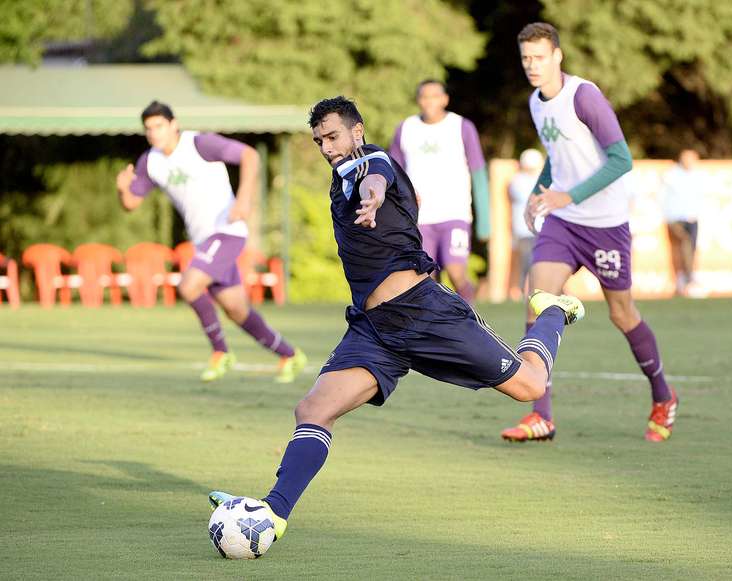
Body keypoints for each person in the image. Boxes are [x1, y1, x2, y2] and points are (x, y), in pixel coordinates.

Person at [208, 96, 585, 545]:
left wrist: (375, 196)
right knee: (313, 409)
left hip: (426, 313)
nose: (327, 147)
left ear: (357, 131)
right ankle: (274, 513)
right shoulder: (339, 179)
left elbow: (376, 178)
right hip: (374, 329)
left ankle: (554, 313)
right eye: (319, 141)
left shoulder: (372, 161)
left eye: (333, 136)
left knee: (530, 387)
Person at [500, 23, 679, 444]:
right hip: (564, 224)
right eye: (526, 58)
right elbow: (555, 155)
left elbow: (621, 159)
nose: (532, 65)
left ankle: (663, 396)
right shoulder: (535, 103)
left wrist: (568, 196)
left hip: (605, 225)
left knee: (622, 313)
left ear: (557, 56)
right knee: (536, 298)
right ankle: (540, 414)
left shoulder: (584, 96)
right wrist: (538, 193)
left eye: (539, 57)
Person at [116, 101, 306, 383]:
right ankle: (290, 355)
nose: (154, 133)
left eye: (159, 126)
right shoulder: (151, 162)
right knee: (236, 309)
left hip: (227, 232)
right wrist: (121, 189)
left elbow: (250, 156)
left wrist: (244, 199)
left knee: (189, 285)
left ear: (173, 124)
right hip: (204, 241)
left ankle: (221, 353)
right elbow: (131, 203)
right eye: (148, 128)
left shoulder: (200, 144)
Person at [388, 80, 490, 303]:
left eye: (435, 96)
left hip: (455, 214)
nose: (429, 102)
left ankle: (471, 319)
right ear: (418, 100)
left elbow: (479, 173)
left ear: (445, 99)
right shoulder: (405, 129)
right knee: (426, 278)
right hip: (420, 217)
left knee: (456, 272)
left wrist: (485, 220)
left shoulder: (461, 126)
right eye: (424, 96)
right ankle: (438, 328)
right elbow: (393, 173)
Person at [661, 149, 704, 296]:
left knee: (691, 247)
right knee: (684, 243)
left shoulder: (696, 175)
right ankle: (687, 279)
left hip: (692, 218)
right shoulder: (671, 175)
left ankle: (688, 279)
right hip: (675, 218)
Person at [508, 148, 544, 300]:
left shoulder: (535, 179)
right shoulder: (518, 181)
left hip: (542, 229)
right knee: (527, 263)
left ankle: (545, 292)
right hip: (524, 231)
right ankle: (525, 293)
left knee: (542, 263)